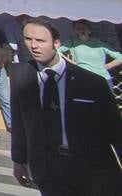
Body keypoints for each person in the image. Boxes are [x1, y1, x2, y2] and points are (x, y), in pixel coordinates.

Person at [10, 17, 122, 195]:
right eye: (28, 39)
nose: (33, 46)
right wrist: (18, 160)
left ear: (56, 43)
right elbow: (20, 121)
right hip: (49, 169)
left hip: (91, 169)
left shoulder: (91, 82)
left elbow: (116, 130)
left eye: (40, 41)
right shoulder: (21, 75)